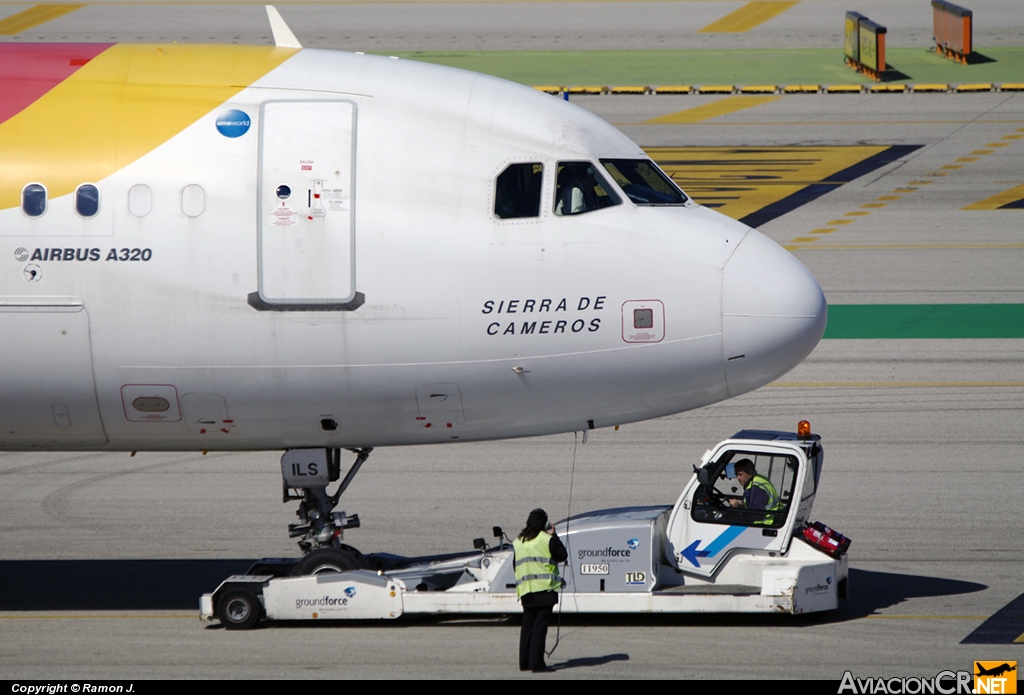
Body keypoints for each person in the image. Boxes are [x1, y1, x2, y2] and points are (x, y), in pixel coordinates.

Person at [512, 508, 567, 673]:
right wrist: (554, 535)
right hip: (544, 589)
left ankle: (525, 662)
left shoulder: (519, 541)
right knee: (539, 627)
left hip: (526, 590)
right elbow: (562, 555)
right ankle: (537, 663)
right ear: (544, 523)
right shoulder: (546, 539)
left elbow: (516, 564)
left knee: (528, 625)